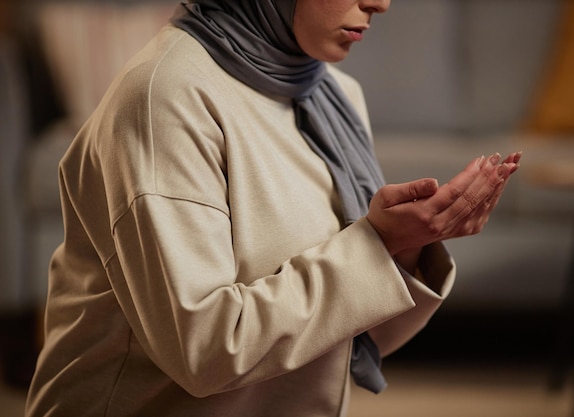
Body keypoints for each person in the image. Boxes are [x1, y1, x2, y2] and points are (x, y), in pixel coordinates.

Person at [25, 0, 521, 416]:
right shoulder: (164, 99)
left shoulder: (331, 96)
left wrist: (405, 248)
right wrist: (376, 246)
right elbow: (206, 350)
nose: (381, 2)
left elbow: (340, 339)